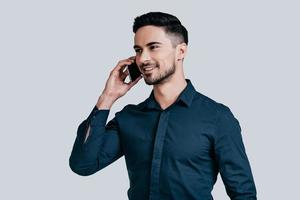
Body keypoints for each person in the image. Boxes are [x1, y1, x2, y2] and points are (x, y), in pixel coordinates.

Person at [69, 12, 257, 200]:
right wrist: (107, 97)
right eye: (138, 50)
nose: (143, 59)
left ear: (181, 51)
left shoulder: (217, 117)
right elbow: (83, 165)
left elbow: (243, 193)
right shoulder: (129, 118)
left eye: (153, 47)